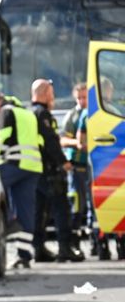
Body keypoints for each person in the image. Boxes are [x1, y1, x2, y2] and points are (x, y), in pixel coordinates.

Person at [0, 91, 44, 266]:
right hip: (33, 167)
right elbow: (39, 140)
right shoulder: (27, 113)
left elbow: (0, 137)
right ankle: (24, 255)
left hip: (15, 164)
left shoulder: (6, 111)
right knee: (26, 211)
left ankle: (9, 220)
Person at [30, 78, 83, 261]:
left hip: (37, 170)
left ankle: (37, 248)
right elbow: (51, 142)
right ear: (44, 94)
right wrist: (64, 162)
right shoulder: (43, 114)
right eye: (51, 93)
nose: (53, 98)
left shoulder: (31, 113)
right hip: (50, 170)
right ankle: (64, 248)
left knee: (40, 212)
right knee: (61, 210)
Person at [61, 83, 91, 240]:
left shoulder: (95, 114)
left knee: (92, 203)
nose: (82, 101)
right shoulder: (71, 116)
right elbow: (62, 140)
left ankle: (95, 238)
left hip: (94, 164)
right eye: (79, 98)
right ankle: (75, 238)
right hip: (76, 164)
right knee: (76, 203)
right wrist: (77, 144)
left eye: (85, 97)